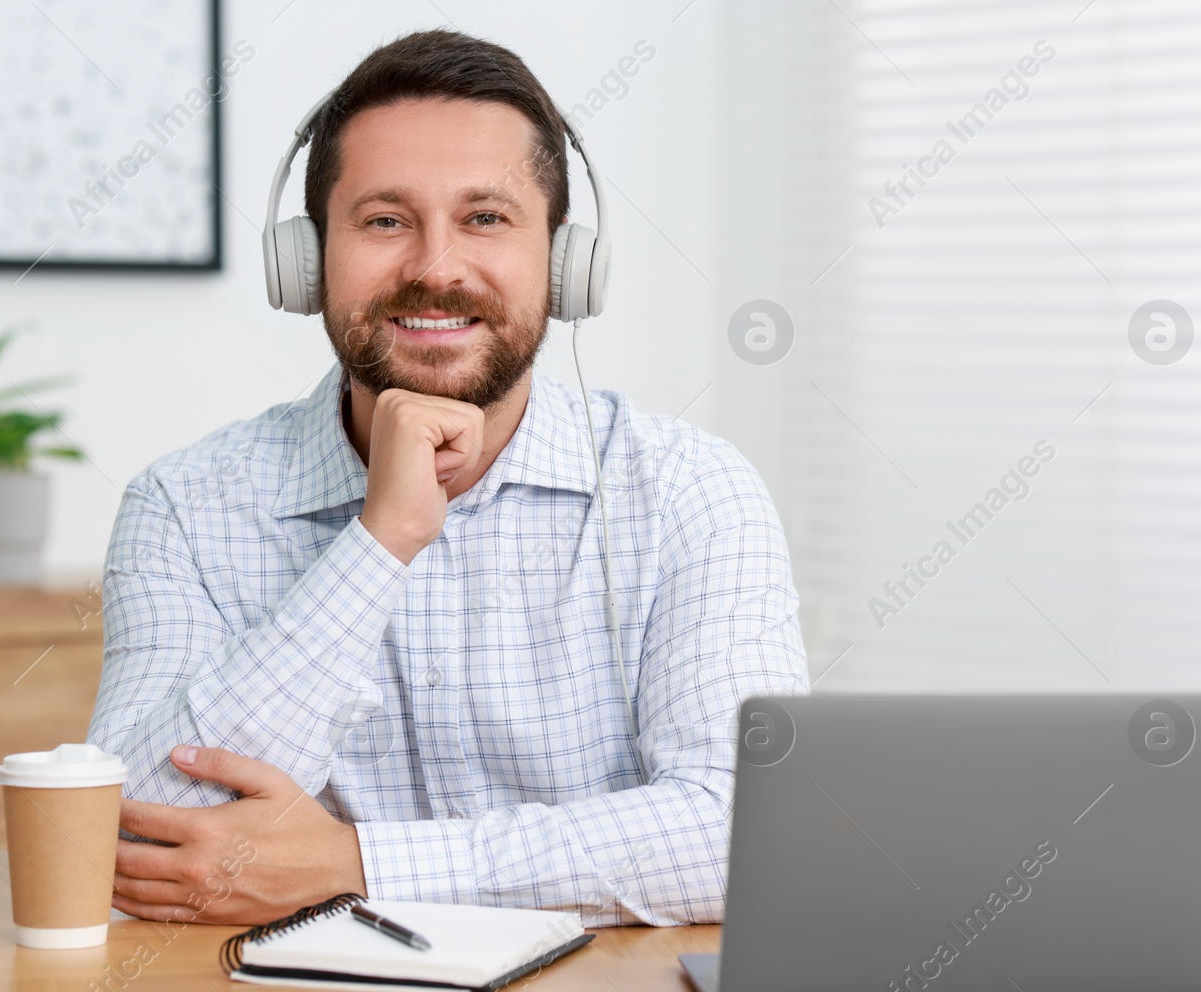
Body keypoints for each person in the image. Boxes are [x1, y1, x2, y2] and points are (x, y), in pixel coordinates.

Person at [87, 29, 807, 928]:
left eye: (486, 218)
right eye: (385, 220)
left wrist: (356, 863)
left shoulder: (691, 491)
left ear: (566, 262)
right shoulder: (184, 507)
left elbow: (747, 834)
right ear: (306, 264)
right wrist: (378, 544)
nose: (434, 268)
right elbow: (143, 840)